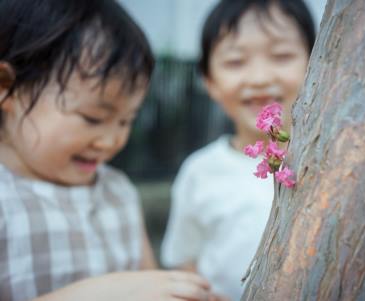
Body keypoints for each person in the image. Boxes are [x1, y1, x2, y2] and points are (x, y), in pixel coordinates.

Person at [0, 1, 220, 300]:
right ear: (6, 87)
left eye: (126, 121)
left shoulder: (118, 192)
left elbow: (150, 282)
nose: (110, 140)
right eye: (93, 118)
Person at [161, 0, 316, 300]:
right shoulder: (200, 172)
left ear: (315, 63)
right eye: (235, 61)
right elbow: (183, 259)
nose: (259, 78)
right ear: (210, 82)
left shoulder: (331, 160)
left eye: (281, 56)